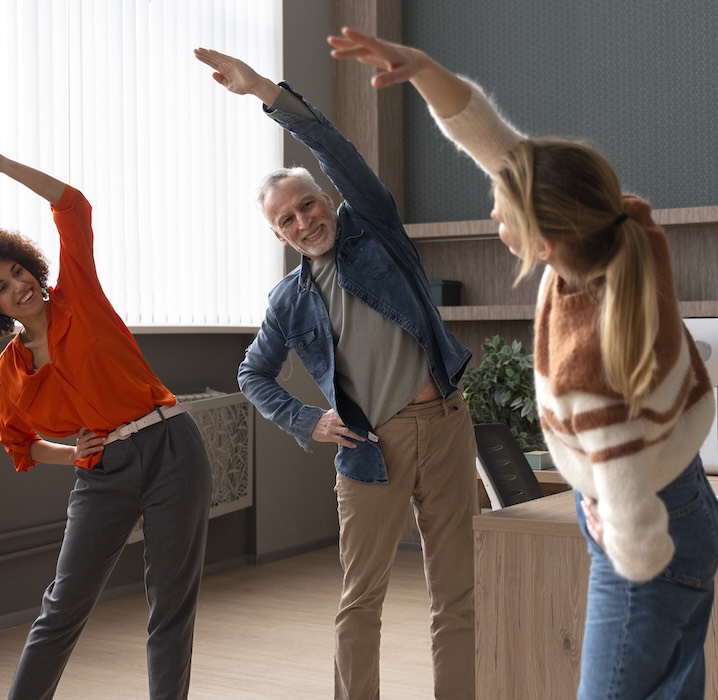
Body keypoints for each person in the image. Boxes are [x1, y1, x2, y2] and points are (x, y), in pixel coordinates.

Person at [328, 27, 718, 698]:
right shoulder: (621, 227)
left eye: (501, 211)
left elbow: (626, 486)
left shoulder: (587, 355)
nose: (491, 211)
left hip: (644, 534)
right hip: (686, 497)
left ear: (543, 243)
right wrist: (424, 70)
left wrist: (618, 532)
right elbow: (496, 142)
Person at [194, 48, 479, 699]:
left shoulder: (373, 229)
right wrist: (306, 419)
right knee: (361, 602)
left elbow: (333, 144)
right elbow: (253, 374)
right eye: (286, 219)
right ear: (277, 234)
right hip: (367, 449)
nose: (303, 222)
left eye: (308, 205)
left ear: (328, 199)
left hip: (445, 426)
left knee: (455, 595)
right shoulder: (287, 302)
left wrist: (266, 91)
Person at [0, 143, 213, 700]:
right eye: (3, 287)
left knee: (169, 604)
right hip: (103, 473)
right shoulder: (8, 370)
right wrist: (75, 453)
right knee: (62, 608)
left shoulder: (78, 295)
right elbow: (19, 443)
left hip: (170, 447)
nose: (20, 286)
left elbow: (74, 206)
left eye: (19, 271)